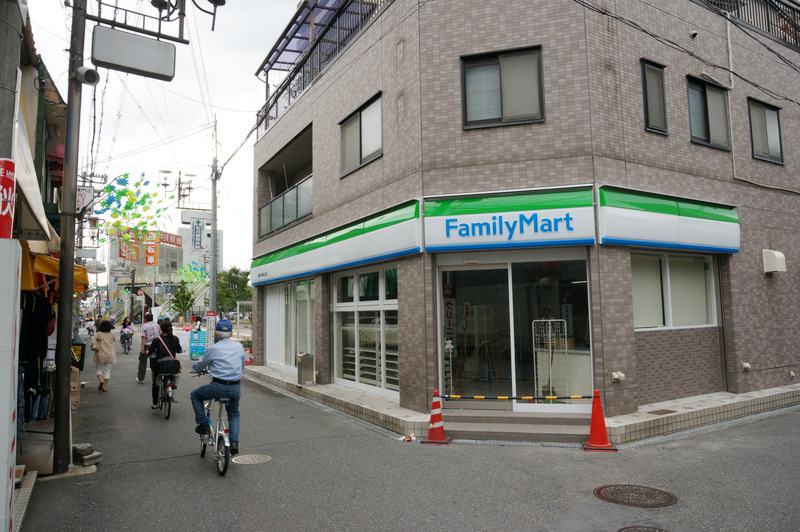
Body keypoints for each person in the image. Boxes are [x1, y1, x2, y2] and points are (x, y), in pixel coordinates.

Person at [190, 319, 245, 455]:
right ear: (231, 333)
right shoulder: (239, 347)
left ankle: (203, 425)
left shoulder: (213, 349)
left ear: (216, 333)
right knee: (233, 413)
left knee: (195, 395)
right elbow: (242, 365)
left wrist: (196, 369)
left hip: (217, 387)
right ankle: (234, 443)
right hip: (235, 388)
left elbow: (201, 364)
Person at [148, 319, 182, 409]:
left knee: (155, 382)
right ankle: (172, 383)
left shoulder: (157, 340)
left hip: (160, 366)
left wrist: (148, 352)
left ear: (161, 329)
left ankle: (155, 403)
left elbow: (150, 351)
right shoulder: (175, 339)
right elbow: (179, 350)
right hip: (172, 365)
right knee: (171, 373)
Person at [90, 320, 116, 392]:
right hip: (110, 355)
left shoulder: (98, 334)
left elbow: (93, 343)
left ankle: (101, 381)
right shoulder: (112, 335)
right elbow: (113, 340)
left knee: (99, 369)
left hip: (100, 354)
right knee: (107, 371)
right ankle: (105, 387)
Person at [138, 313, 160, 384]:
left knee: (142, 362)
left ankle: (141, 378)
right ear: (152, 318)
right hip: (156, 346)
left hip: (147, 346)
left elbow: (143, 337)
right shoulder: (157, 326)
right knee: (154, 362)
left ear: (145, 319)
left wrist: (142, 348)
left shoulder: (144, 326)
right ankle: (154, 379)